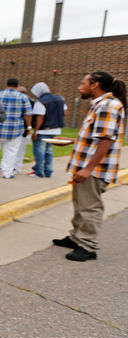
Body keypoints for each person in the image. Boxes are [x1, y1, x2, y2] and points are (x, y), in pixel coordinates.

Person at [53, 71, 125, 262]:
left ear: (95, 85)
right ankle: (76, 237)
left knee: (90, 206)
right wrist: (71, 141)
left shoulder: (108, 106)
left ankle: (88, 246)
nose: (79, 87)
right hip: (85, 165)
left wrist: (88, 168)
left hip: (94, 168)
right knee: (80, 204)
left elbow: (105, 140)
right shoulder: (99, 105)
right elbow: (96, 136)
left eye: (82, 83)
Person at [0, 78, 32, 179]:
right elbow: (28, 114)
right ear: (17, 86)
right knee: (11, 152)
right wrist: (29, 126)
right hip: (15, 129)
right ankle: (7, 173)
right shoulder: (23, 97)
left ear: (6, 84)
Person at [29, 82, 66, 178]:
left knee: (39, 151)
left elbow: (40, 117)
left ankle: (39, 171)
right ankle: (48, 171)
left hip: (43, 130)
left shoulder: (41, 101)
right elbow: (64, 112)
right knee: (49, 151)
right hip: (56, 129)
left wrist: (35, 131)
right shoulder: (60, 99)